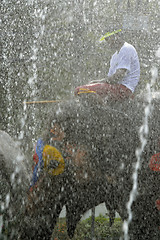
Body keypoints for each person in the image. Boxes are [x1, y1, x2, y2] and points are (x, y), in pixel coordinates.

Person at [75, 28, 140, 101]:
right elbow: (109, 78)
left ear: (116, 36)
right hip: (116, 87)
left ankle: (102, 108)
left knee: (80, 90)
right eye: (106, 40)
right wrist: (96, 82)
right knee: (84, 89)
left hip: (124, 89)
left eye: (108, 39)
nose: (107, 42)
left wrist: (100, 82)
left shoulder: (126, 48)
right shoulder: (114, 56)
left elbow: (119, 75)